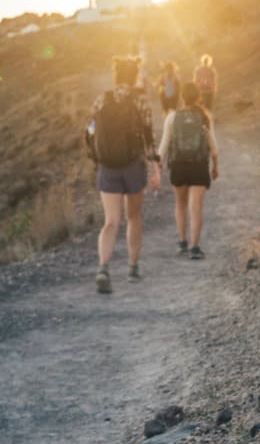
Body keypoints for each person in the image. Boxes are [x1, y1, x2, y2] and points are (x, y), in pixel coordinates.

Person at [87, 55, 160, 293]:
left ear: (116, 75)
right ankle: (132, 267)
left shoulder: (101, 99)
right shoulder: (140, 101)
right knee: (134, 217)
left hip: (107, 166)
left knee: (110, 221)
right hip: (133, 165)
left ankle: (103, 268)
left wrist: (96, 159)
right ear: (135, 75)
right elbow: (149, 137)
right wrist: (156, 168)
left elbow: (89, 131)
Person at [163, 91, 219, 259]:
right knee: (196, 209)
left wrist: (158, 165)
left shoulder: (172, 117)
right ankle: (195, 248)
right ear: (198, 97)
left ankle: (182, 242)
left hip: (178, 166)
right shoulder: (204, 116)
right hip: (199, 166)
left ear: (182, 98)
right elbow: (213, 145)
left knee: (180, 205)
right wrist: (215, 166)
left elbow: (164, 144)